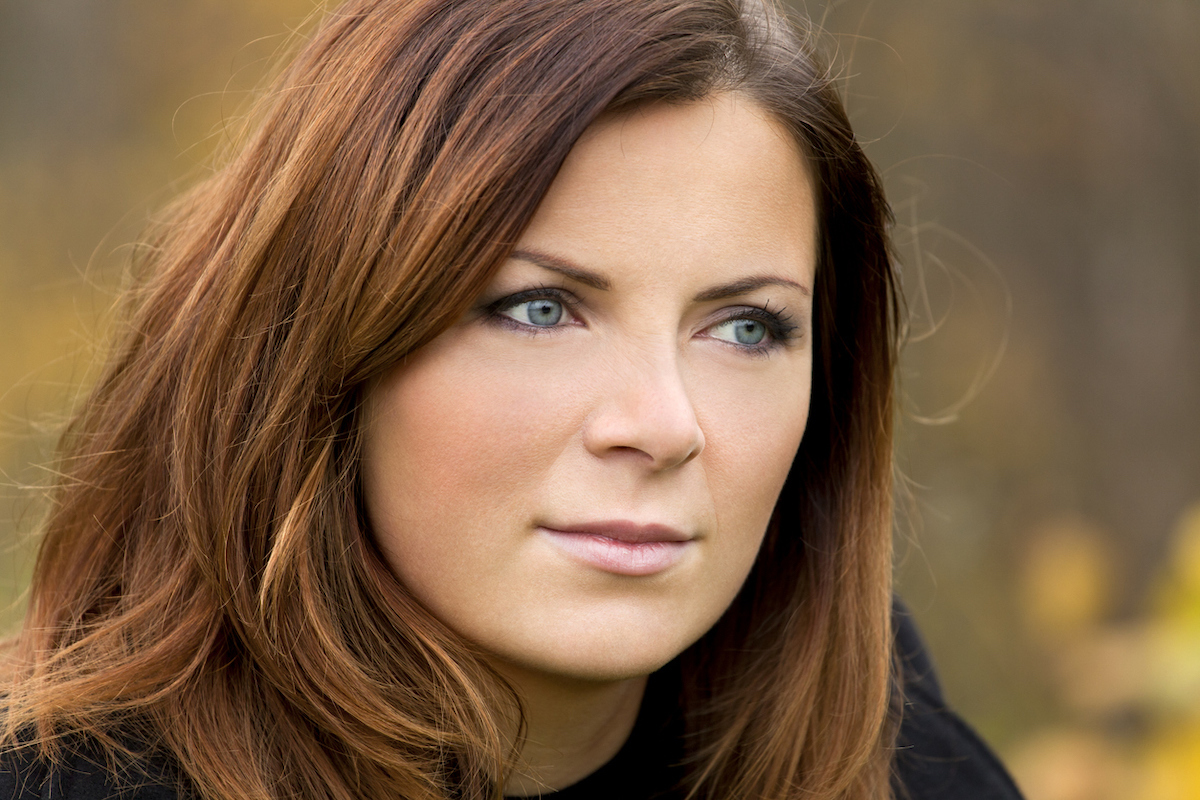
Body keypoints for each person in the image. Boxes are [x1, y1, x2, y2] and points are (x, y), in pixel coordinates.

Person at [0, 1, 1024, 798]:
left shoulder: (893, 756)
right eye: (539, 309)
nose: (664, 424)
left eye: (746, 327)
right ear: (323, 351)